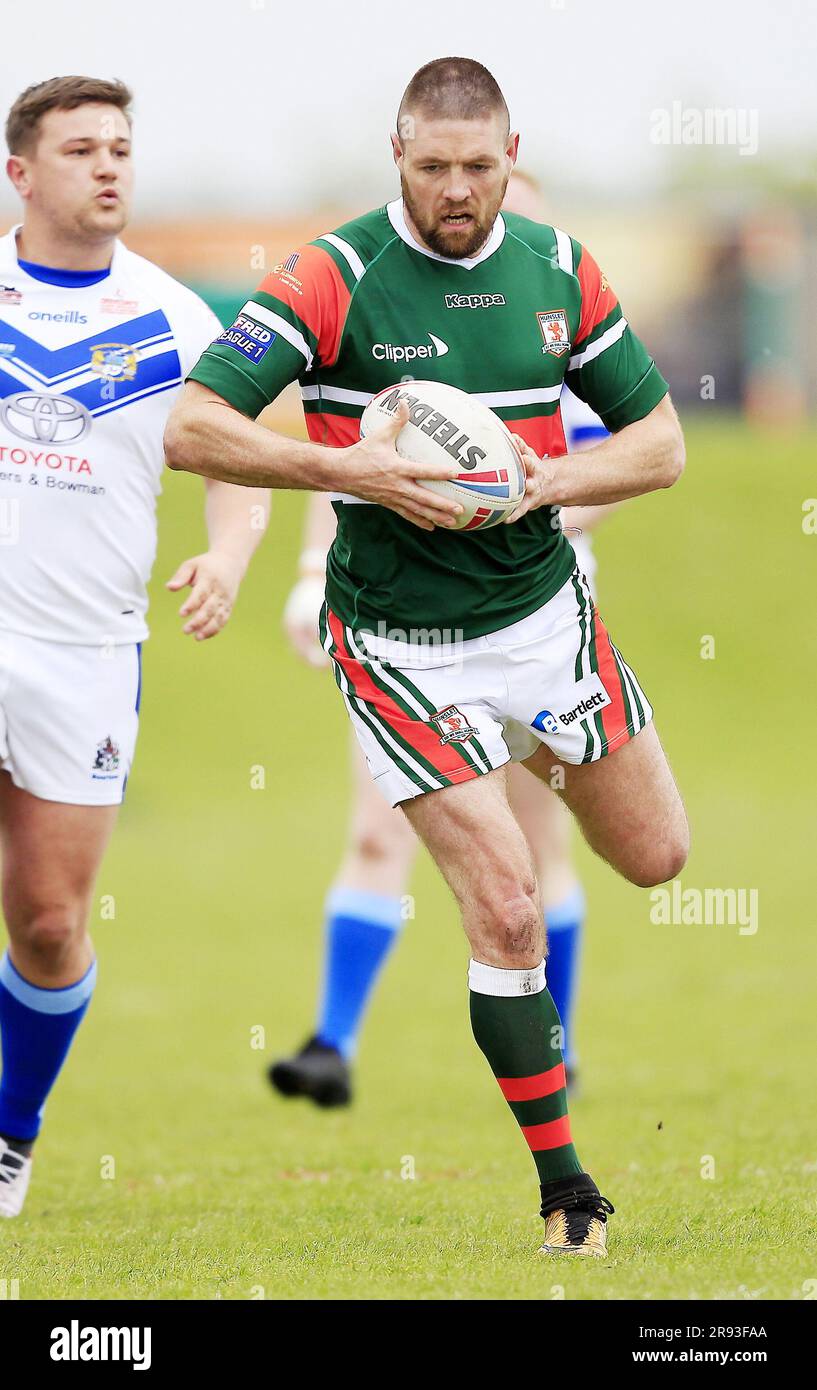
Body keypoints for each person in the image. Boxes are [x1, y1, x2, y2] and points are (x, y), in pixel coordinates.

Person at [165, 56, 689, 1258]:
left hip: (548, 618)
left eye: (480, 167)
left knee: (658, 858)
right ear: (396, 151)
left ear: (514, 154)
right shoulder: (331, 275)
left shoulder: (560, 272)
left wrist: (535, 482)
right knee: (504, 908)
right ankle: (567, 1191)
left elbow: (659, 446)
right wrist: (351, 469)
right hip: (401, 645)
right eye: (433, 166)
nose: (458, 189)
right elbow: (195, 424)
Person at [269, 170, 615, 1109]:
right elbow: (353, 470)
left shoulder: (560, 337)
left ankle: (560, 1043)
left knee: (541, 844)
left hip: (541, 614)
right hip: (407, 624)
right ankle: (330, 1044)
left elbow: (625, 466)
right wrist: (309, 580)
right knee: (375, 830)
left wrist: (526, 493)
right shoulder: (396, 350)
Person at [0, 76, 268, 1218]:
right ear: (21, 171)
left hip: (86, 650)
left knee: (53, 924)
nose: (108, 166)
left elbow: (240, 469)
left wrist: (227, 557)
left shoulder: (175, 318)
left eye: (120, 148)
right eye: (80, 149)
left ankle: (10, 1139)